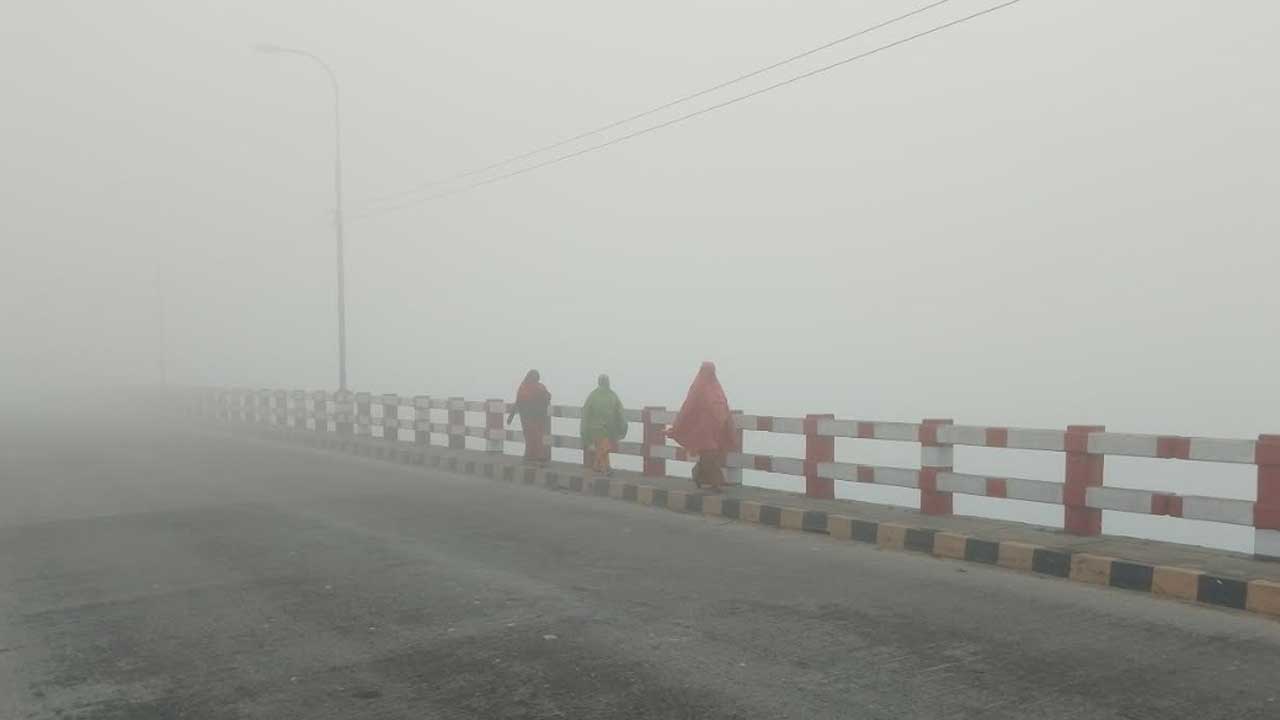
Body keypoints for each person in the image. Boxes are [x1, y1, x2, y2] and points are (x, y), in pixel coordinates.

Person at [668, 361, 739, 492]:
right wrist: (677, 425)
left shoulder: (716, 387)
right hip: (703, 429)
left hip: (717, 429)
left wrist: (728, 426)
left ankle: (698, 475)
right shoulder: (698, 387)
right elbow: (688, 406)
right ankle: (716, 483)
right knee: (709, 454)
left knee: (710, 455)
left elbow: (724, 407)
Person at [580, 374, 627, 475]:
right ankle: (604, 468)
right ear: (608, 382)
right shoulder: (613, 396)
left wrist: (584, 432)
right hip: (607, 429)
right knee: (604, 448)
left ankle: (599, 466)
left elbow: (585, 413)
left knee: (601, 448)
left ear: (599, 382)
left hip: (592, 430)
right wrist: (623, 429)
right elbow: (621, 414)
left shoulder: (592, 396)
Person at [508, 369, 551, 462]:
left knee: (533, 436)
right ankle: (535, 456)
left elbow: (517, 401)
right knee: (533, 436)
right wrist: (511, 416)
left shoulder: (525, 387)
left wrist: (511, 416)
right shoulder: (538, 387)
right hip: (534, 416)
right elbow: (548, 397)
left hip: (532, 417)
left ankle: (534, 456)